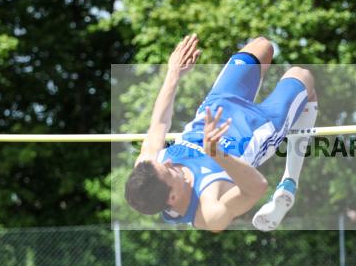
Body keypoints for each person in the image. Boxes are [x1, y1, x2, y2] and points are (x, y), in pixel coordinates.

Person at [124, 34, 318, 232]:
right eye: (169, 171)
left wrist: (173, 73)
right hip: (258, 126)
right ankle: (289, 182)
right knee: (302, 75)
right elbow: (257, 187)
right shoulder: (209, 211)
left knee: (263, 46)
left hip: (218, 105)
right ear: (172, 197)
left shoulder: (146, 170)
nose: (167, 161)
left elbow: (159, 123)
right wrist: (216, 153)